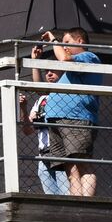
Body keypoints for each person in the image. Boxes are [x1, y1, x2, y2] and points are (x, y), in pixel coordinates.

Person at [41, 29, 103, 199]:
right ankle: (77, 202)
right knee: (70, 167)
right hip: (58, 119)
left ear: (80, 41)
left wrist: (54, 40)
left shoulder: (88, 57)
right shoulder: (70, 71)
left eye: (67, 43)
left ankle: (87, 203)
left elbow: (64, 59)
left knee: (83, 163)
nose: (64, 47)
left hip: (76, 118)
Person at [20, 40, 69, 196]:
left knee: (67, 194)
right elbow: (27, 130)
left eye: (53, 70)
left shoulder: (65, 93)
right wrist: (24, 108)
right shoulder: (41, 100)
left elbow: (39, 88)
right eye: (47, 71)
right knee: (51, 198)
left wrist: (35, 62)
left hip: (61, 152)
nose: (49, 74)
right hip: (43, 155)